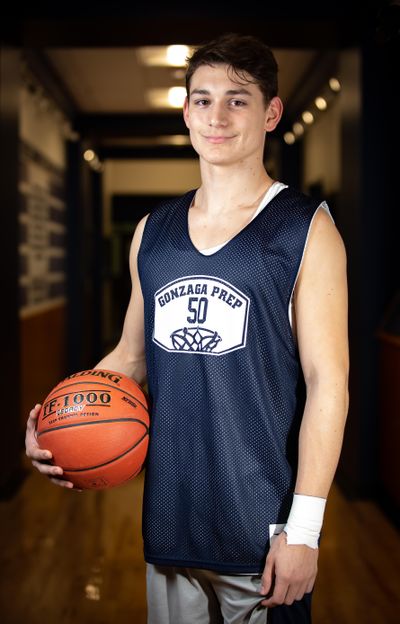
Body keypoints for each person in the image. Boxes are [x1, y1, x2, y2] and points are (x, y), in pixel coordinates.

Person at [25, 33, 349, 624]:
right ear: (185, 112)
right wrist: (53, 419)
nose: (217, 116)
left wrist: (305, 529)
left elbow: (329, 382)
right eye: (202, 100)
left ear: (272, 112)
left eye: (238, 99)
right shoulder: (153, 231)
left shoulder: (306, 228)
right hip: (171, 519)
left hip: (264, 531)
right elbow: (129, 355)